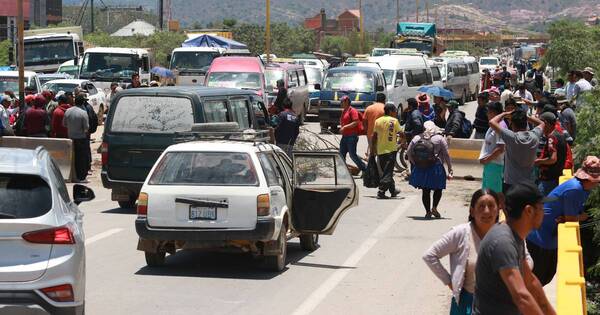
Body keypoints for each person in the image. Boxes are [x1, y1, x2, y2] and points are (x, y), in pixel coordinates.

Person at [473, 183, 556, 315]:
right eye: (541, 207)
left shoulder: (516, 236)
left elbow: (531, 282)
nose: (544, 212)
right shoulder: (502, 242)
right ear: (529, 211)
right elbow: (521, 296)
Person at [423, 189, 501, 315]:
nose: (486, 211)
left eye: (491, 206)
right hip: (467, 304)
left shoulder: (506, 234)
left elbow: (527, 259)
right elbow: (430, 255)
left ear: (498, 210)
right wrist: (450, 282)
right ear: (472, 210)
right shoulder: (460, 233)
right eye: (481, 206)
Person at [526, 156, 600, 286]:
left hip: (548, 236)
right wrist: (582, 217)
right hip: (541, 237)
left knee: (546, 275)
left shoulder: (582, 188)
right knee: (538, 278)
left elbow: (568, 216)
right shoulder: (575, 190)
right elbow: (571, 218)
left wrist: (572, 216)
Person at [489, 109, 544, 193]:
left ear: (512, 124)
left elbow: (492, 122)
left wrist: (505, 113)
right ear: (526, 124)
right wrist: (525, 116)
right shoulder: (534, 136)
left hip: (511, 184)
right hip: (529, 183)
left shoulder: (511, 137)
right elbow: (542, 123)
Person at [407, 121, 453, 219]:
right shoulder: (439, 138)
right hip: (436, 167)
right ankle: (434, 207)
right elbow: (446, 154)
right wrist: (450, 168)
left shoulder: (417, 138)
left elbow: (408, 152)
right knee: (438, 188)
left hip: (422, 168)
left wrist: (414, 164)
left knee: (425, 190)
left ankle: (427, 212)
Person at [371, 103, 401, 199]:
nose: (396, 112)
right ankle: (381, 191)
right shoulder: (394, 121)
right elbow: (401, 133)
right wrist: (402, 142)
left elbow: (374, 136)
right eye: (395, 111)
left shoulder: (378, 121)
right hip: (391, 150)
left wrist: (373, 148)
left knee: (386, 171)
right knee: (388, 172)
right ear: (391, 111)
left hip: (381, 150)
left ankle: (393, 190)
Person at [534, 112, 567, 196]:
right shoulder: (560, 135)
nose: (539, 127)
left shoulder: (552, 137)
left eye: (540, 124)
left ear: (546, 123)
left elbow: (552, 159)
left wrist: (538, 161)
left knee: (543, 205)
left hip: (548, 179)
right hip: (555, 177)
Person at [479, 102, 505, 193]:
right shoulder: (493, 126)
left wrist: (487, 160)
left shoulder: (500, 126)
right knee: (488, 192)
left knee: (494, 193)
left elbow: (501, 148)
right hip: (490, 165)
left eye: (489, 112)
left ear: (495, 113)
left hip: (494, 164)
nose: (487, 114)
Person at [63, 94, 90, 182]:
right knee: (80, 159)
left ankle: (71, 176)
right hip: (80, 139)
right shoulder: (83, 113)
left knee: (70, 159)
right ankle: (81, 177)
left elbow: (64, 124)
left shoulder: (67, 111)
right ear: (82, 103)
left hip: (70, 139)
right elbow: (86, 128)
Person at [339, 95, 366, 173]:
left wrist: (344, 128)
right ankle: (342, 172)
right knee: (341, 155)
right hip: (345, 136)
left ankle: (365, 169)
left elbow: (356, 122)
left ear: (347, 102)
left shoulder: (352, 110)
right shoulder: (344, 111)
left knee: (352, 155)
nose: (340, 103)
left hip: (352, 137)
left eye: (342, 101)